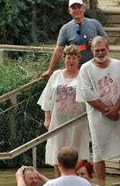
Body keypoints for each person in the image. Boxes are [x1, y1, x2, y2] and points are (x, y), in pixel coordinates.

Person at [76, 36, 120, 180]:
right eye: (97, 50)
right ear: (92, 50)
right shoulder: (86, 68)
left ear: (108, 49)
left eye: (103, 50)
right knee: (98, 151)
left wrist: (116, 109)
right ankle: (101, 184)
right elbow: (87, 94)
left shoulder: (118, 65)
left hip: (119, 112)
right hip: (97, 117)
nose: (100, 53)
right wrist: (106, 110)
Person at [37, 45, 90, 177]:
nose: (71, 61)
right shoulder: (56, 75)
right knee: (57, 151)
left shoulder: (83, 76)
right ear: (64, 59)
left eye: (74, 58)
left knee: (76, 151)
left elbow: (90, 98)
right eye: (68, 58)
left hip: (77, 122)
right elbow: (47, 98)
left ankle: (77, 181)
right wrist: (47, 118)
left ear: (78, 60)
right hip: (58, 121)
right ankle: (59, 179)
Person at [41, 0, 108, 79]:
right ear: (70, 11)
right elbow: (58, 50)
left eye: (79, 7)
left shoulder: (95, 24)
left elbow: (106, 41)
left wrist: (97, 42)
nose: (77, 10)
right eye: (74, 8)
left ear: (84, 8)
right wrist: (50, 70)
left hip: (96, 66)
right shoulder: (65, 29)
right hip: (76, 71)